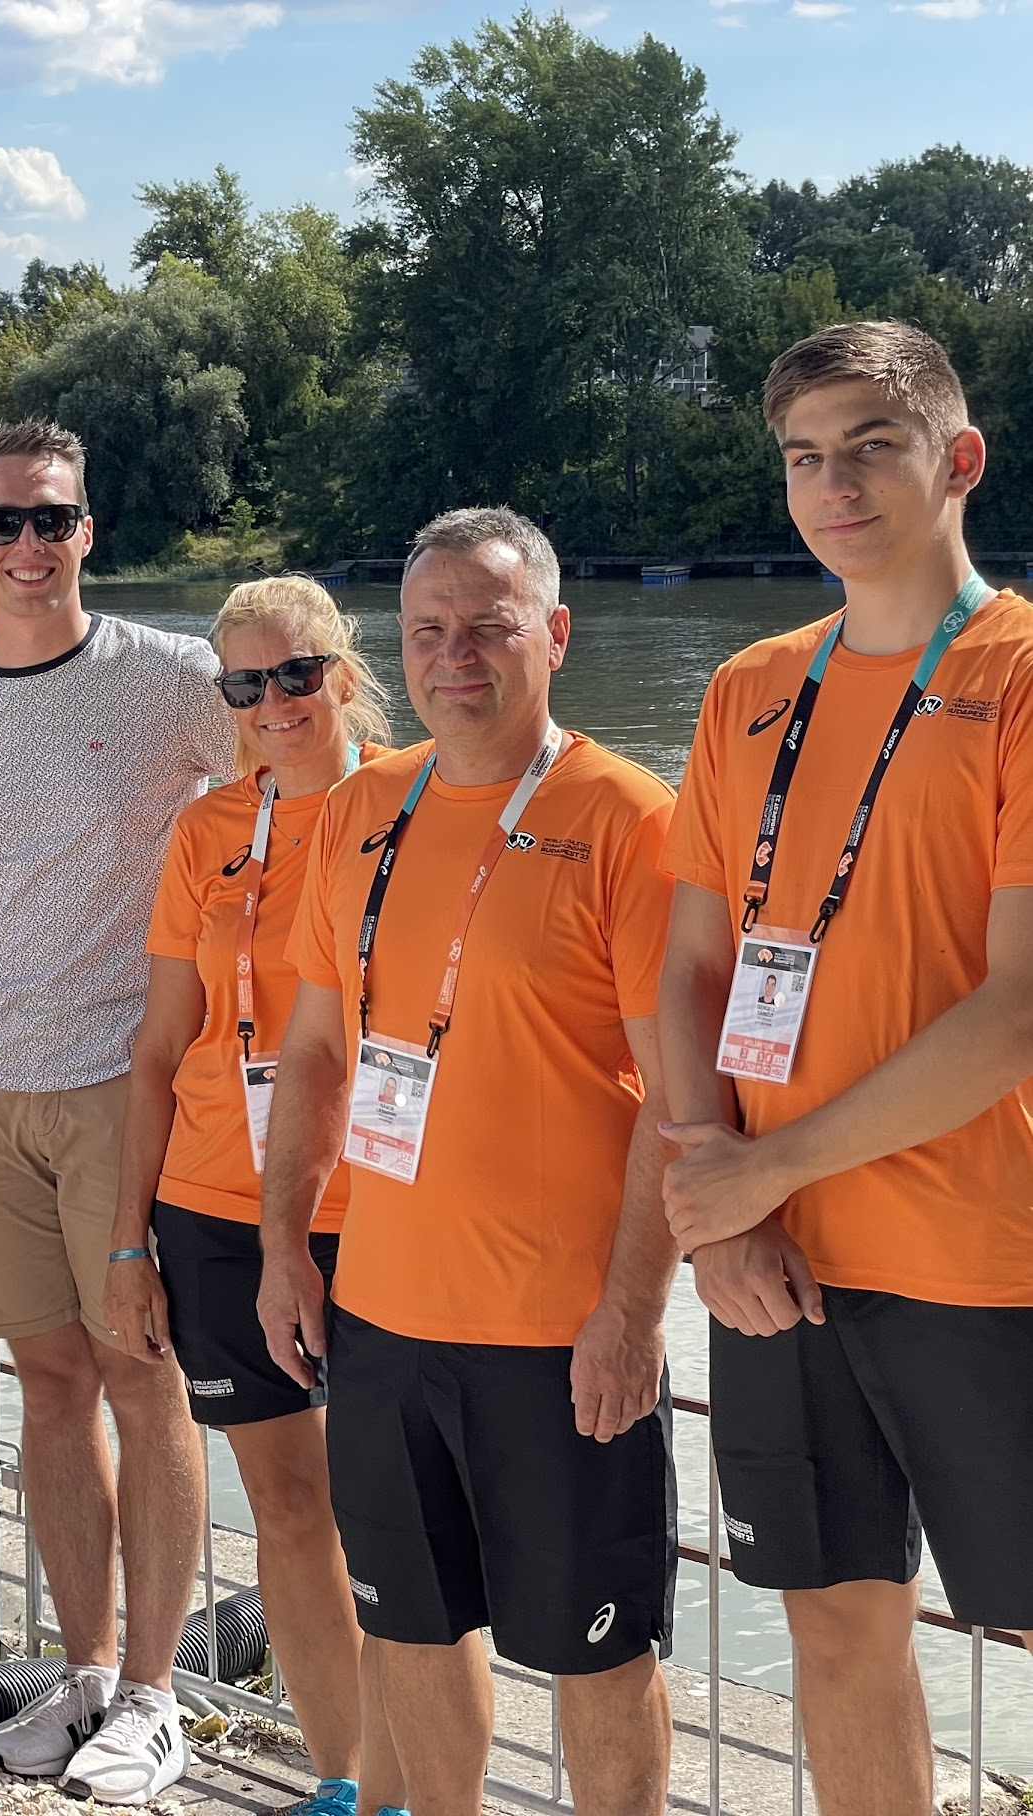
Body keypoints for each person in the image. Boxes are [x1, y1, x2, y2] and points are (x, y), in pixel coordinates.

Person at [656, 322, 1033, 1816]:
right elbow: (684, 973)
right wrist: (719, 1201)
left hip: (983, 1253)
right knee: (833, 1624)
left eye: (871, 446)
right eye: (803, 457)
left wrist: (762, 1172)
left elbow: (1016, 1009)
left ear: (957, 459)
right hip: (780, 1262)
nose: (834, 486)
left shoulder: (1017, 673)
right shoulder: (748, 687)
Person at [257, 508, 679, 1816]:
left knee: (597, 1657)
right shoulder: (359, 807)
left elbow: (680, 1101)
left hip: (561, 1334)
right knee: (411, 1634)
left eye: (488, 628)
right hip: (381, 1320)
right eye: (426, 630)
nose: (453, 657)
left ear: (554, 635)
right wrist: (283, 1247)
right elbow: (313, 1053)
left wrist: (631, 1314)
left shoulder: (629, 818)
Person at [0, 420, 238, 1804]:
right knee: (47, 1383)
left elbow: (295, 797)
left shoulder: (177, 679)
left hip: (121, 1079)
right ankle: (85, 1674)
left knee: (142, 1374)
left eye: (52, 519)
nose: (28, 545)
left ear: (87, 531)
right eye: (4, 522)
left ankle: (156, 1695)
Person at [108, 577, 404, 1816]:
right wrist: (126, 1243)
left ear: (344, 672)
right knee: (287, 1505)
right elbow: (157, 1047)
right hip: (215, 1206)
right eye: (245, 683)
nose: (273, 701)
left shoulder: (416, 802)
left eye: (296, 673)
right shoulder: (208, 830)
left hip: (377, 1207)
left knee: (393, 1519)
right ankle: (346, 1779)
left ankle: (414, 1780)